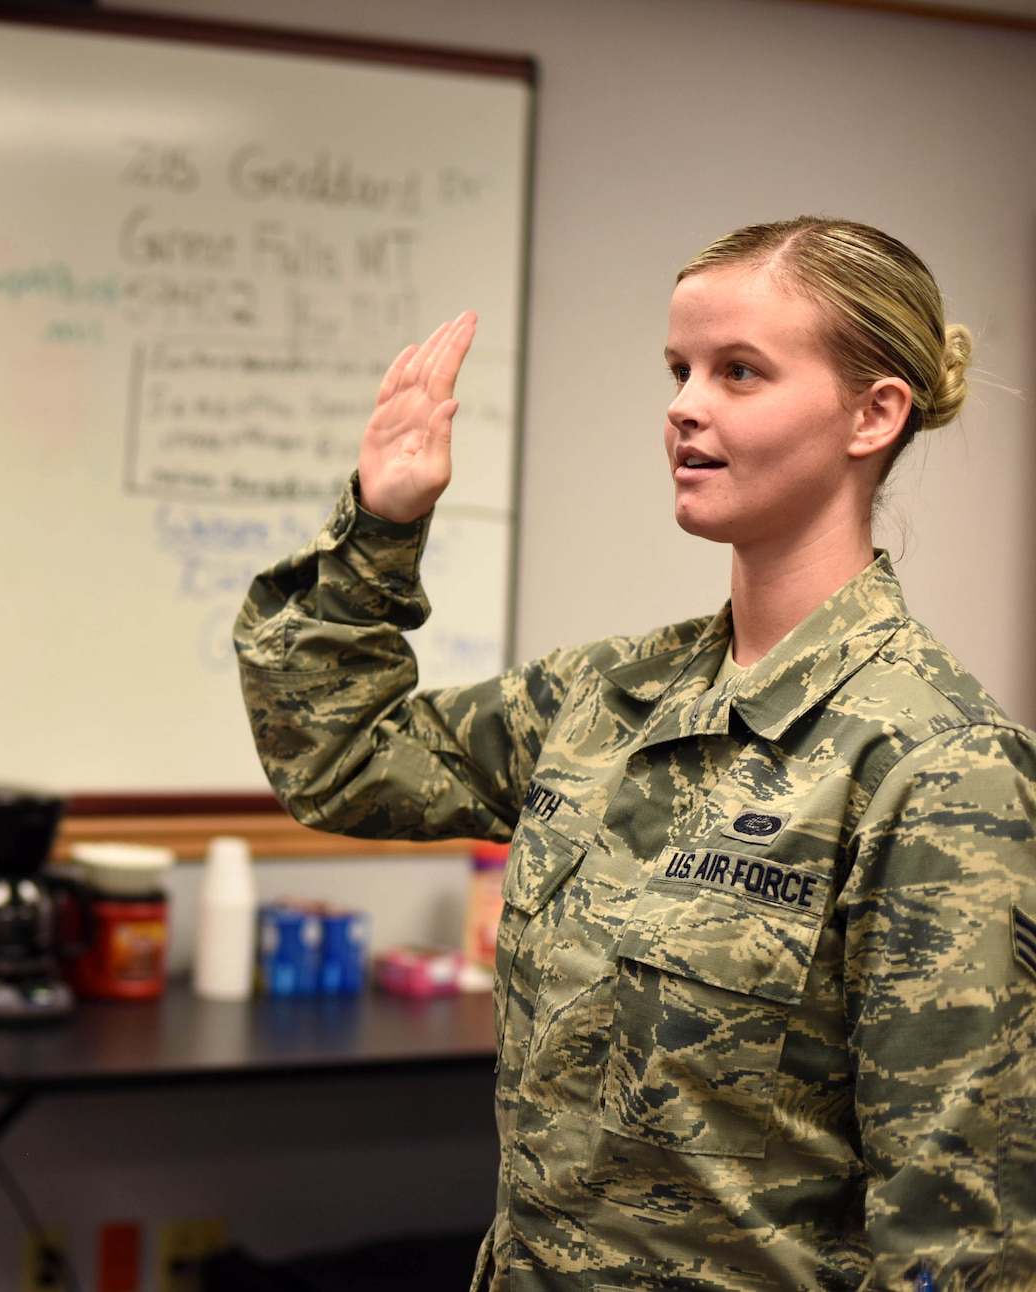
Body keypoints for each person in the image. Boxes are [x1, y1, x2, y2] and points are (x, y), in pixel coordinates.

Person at [237, 218, 1036, 1290]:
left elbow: (957, 1234)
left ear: (872, 412)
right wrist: (381, 526)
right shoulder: (605, 695)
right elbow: (339, 754)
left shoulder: (935, 767)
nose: (682, 405)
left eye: (738, 371)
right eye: (678, 369)